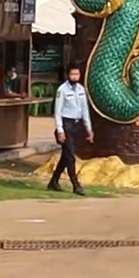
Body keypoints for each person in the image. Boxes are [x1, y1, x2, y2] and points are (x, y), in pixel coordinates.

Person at [48, 65, 92, 195]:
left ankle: (54, 181)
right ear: (68, 75)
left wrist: (88, 128)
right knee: (71, 157)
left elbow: (85, 111)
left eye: (77, 74)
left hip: (77, 125)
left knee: (66, 155)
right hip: (66, 124)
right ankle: (75, 184)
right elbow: (57, 111)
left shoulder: (81, 89)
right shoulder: (62, 90)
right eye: (73, 74)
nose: (75, 77)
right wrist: (60, 130)